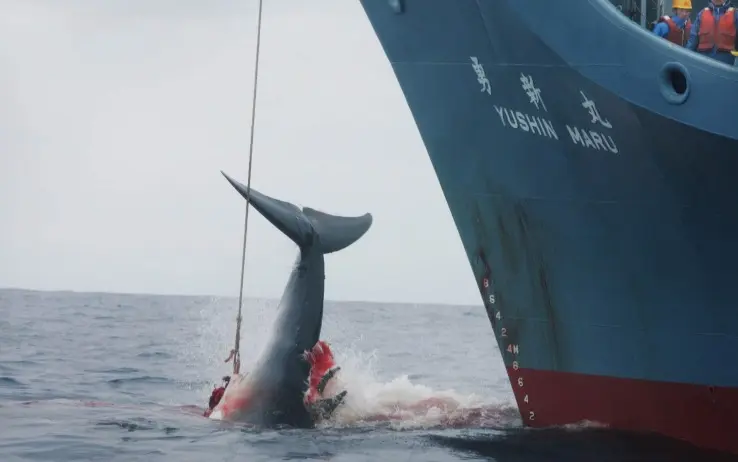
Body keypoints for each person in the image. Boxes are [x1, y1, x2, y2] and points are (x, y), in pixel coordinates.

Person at [685, 0, 738, 65]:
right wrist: (685, 61)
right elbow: (692, 42)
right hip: (703, 65)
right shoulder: (701, 14)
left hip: (727, 66)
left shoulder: (735, 15)